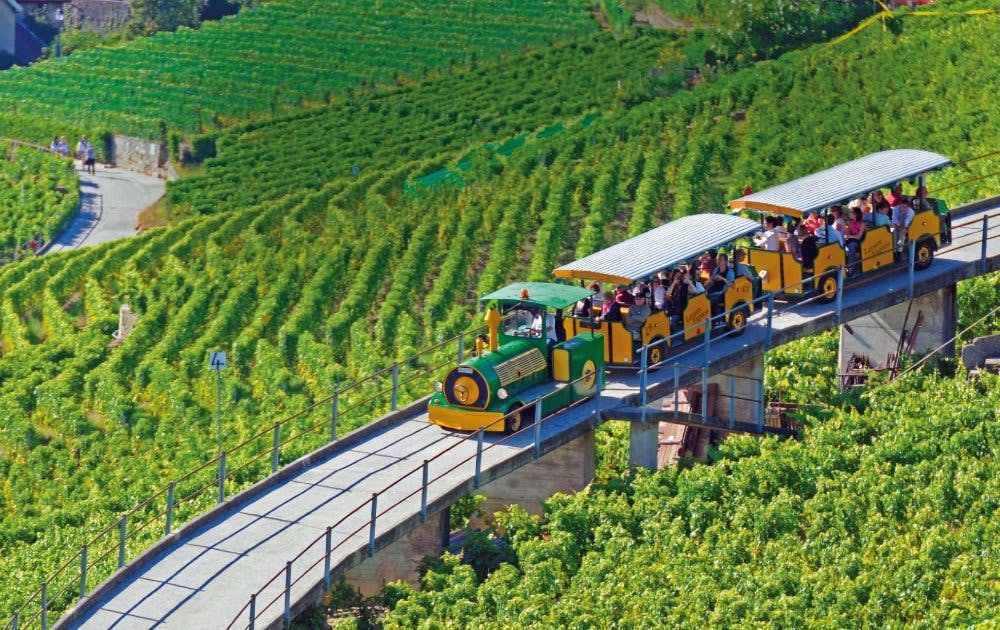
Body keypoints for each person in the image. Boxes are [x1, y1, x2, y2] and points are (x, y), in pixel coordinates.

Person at [844, 207, 866, 271]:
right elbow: (847, 232)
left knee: (851, 247)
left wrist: (849, 236)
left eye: (852, 213)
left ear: (856, 214)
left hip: (859, 241)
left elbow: (859, 236)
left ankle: (851, 268)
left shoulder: (862, 224)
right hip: (851, 240)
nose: (850, 214)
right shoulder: (851, 222)